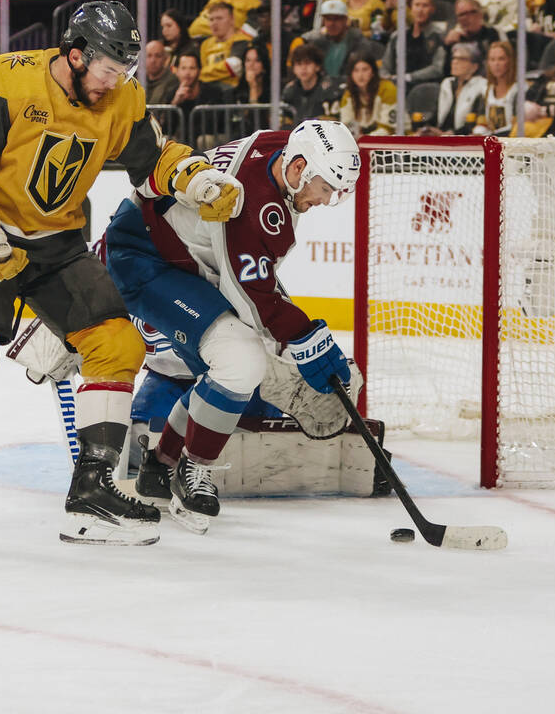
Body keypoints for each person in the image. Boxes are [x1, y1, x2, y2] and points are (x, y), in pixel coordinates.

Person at [0, 1, 246, 548]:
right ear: (74, 55)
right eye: (109, 70)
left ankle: (90, 496)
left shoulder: (124, 96)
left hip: (58, 246)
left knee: (117, 344)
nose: (117, 83)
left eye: (125, 73)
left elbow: (151, 160)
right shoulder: (3, 80)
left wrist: (194, 178)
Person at [102, 120, 361, 533]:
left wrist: (298, 334)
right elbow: (252, 301)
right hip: (145, 258)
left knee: (226, 367)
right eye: (326, 188)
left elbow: (252, 280)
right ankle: (194, 470)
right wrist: (307, 340)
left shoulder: (278, 145)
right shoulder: (253, 207)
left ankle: (159, 466)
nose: (326, 200)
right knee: (241, 361)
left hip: (176, 250)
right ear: (297, 169)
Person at [382, 0, 447, 85]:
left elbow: (437, 68)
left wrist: (409, 77)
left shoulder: (439, 36)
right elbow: (385, 68)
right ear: (410, 7)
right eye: (417, 5)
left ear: (432, 9)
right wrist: (387, 78)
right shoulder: (397, 36)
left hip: (425, 89)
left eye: (425, 5)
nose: (420, 10)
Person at [290, 0, 365, 80]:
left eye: (336, 19)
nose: (331, 24)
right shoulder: (316, 42)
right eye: (328, 19)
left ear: (345, 20)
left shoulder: (357, 41)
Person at [425, 42, 488, 136]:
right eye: (454, 58)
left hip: (464, 138)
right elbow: (435, 115)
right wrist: (427, 128)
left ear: (474, 67)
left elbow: (475, 123)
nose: (455, 62)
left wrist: (451, 134)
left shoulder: (482, 86)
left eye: (461, 59)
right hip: (441, 135)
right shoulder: (447, 83)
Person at [337, 51, 397, 136]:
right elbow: (346, 125)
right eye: (356, 70)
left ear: (373, 72)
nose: (360, 75)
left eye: (365, 69)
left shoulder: (388, 89)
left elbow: (389, 128)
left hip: (394, 140)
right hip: (364, 141)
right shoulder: (349, 94)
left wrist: (364, 139)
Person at [281, 43, 342, 124]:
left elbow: (335, 123)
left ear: (317, 66)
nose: (303, 68)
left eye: (307, 63)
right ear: (294, 69)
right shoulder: (289, 91)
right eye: (299, 64)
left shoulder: (330, 89)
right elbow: (284, 123)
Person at [198, 2, 251, 90]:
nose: (214, 23)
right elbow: (202, 74)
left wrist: (202, 73)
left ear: (232, 20)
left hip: (233, 92)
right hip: (208, 91)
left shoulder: (242, 41)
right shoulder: (205, 44)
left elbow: (234, 67)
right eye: (211, 19)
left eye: (219, 18)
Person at [443, 0, 500, 74]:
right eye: (462, 14)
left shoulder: (492, 33)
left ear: (480, 14)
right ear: (457, 19)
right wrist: (447, 46)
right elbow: (446, 72)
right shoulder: (454, 39)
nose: (466, 18)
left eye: (471, 12)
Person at [478, 40, 518, 135]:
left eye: (501, 59)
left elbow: (516, 127)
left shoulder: (519, 90)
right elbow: (481, 122)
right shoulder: (486, 90)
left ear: (510, 61)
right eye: (492, 59)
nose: (496, 64)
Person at [142, 40, 178, 105]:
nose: (153, 60)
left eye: (158, 56)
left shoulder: (173, 81)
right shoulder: (138, 79)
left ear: (165, 59)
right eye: (149, 56)